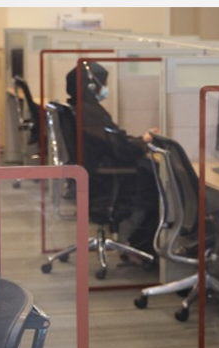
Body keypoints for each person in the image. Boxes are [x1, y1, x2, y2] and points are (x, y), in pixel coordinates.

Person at [65, 60, 160, 256]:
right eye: (103, 83)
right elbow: (119, 148)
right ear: (91, 86)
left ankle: (137, 246)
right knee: (157, 182)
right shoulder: (89, 112)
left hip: (96, 171)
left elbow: (114, 140)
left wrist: (140, 140)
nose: (105, 88)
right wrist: (144, 142)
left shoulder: (81, 108)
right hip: (105, 177)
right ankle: (140, 247)